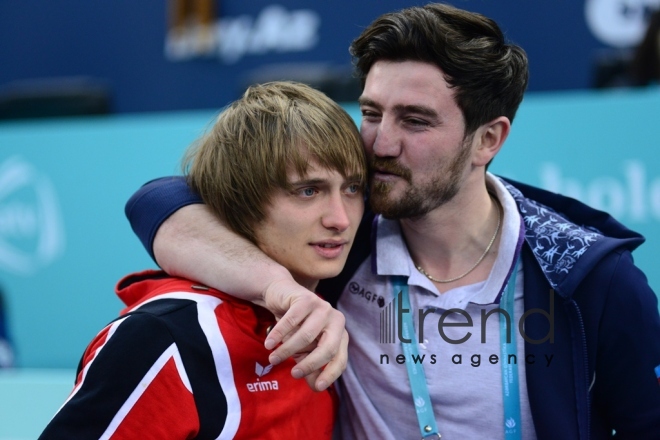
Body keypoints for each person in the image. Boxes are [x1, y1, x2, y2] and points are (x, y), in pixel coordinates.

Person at [125, 3, 660, 439]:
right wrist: (281, 289)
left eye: (415, 121)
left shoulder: (587, 278)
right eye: (373, 112)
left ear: (488, 139)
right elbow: (158, 202)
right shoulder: (335, 242)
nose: (379, 144)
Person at [39, 81, 367, 439]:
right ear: (242, 203)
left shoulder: (329, 312)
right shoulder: (166, 337)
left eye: (352, 188)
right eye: (308, 191)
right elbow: (150, 199)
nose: (341, 219)